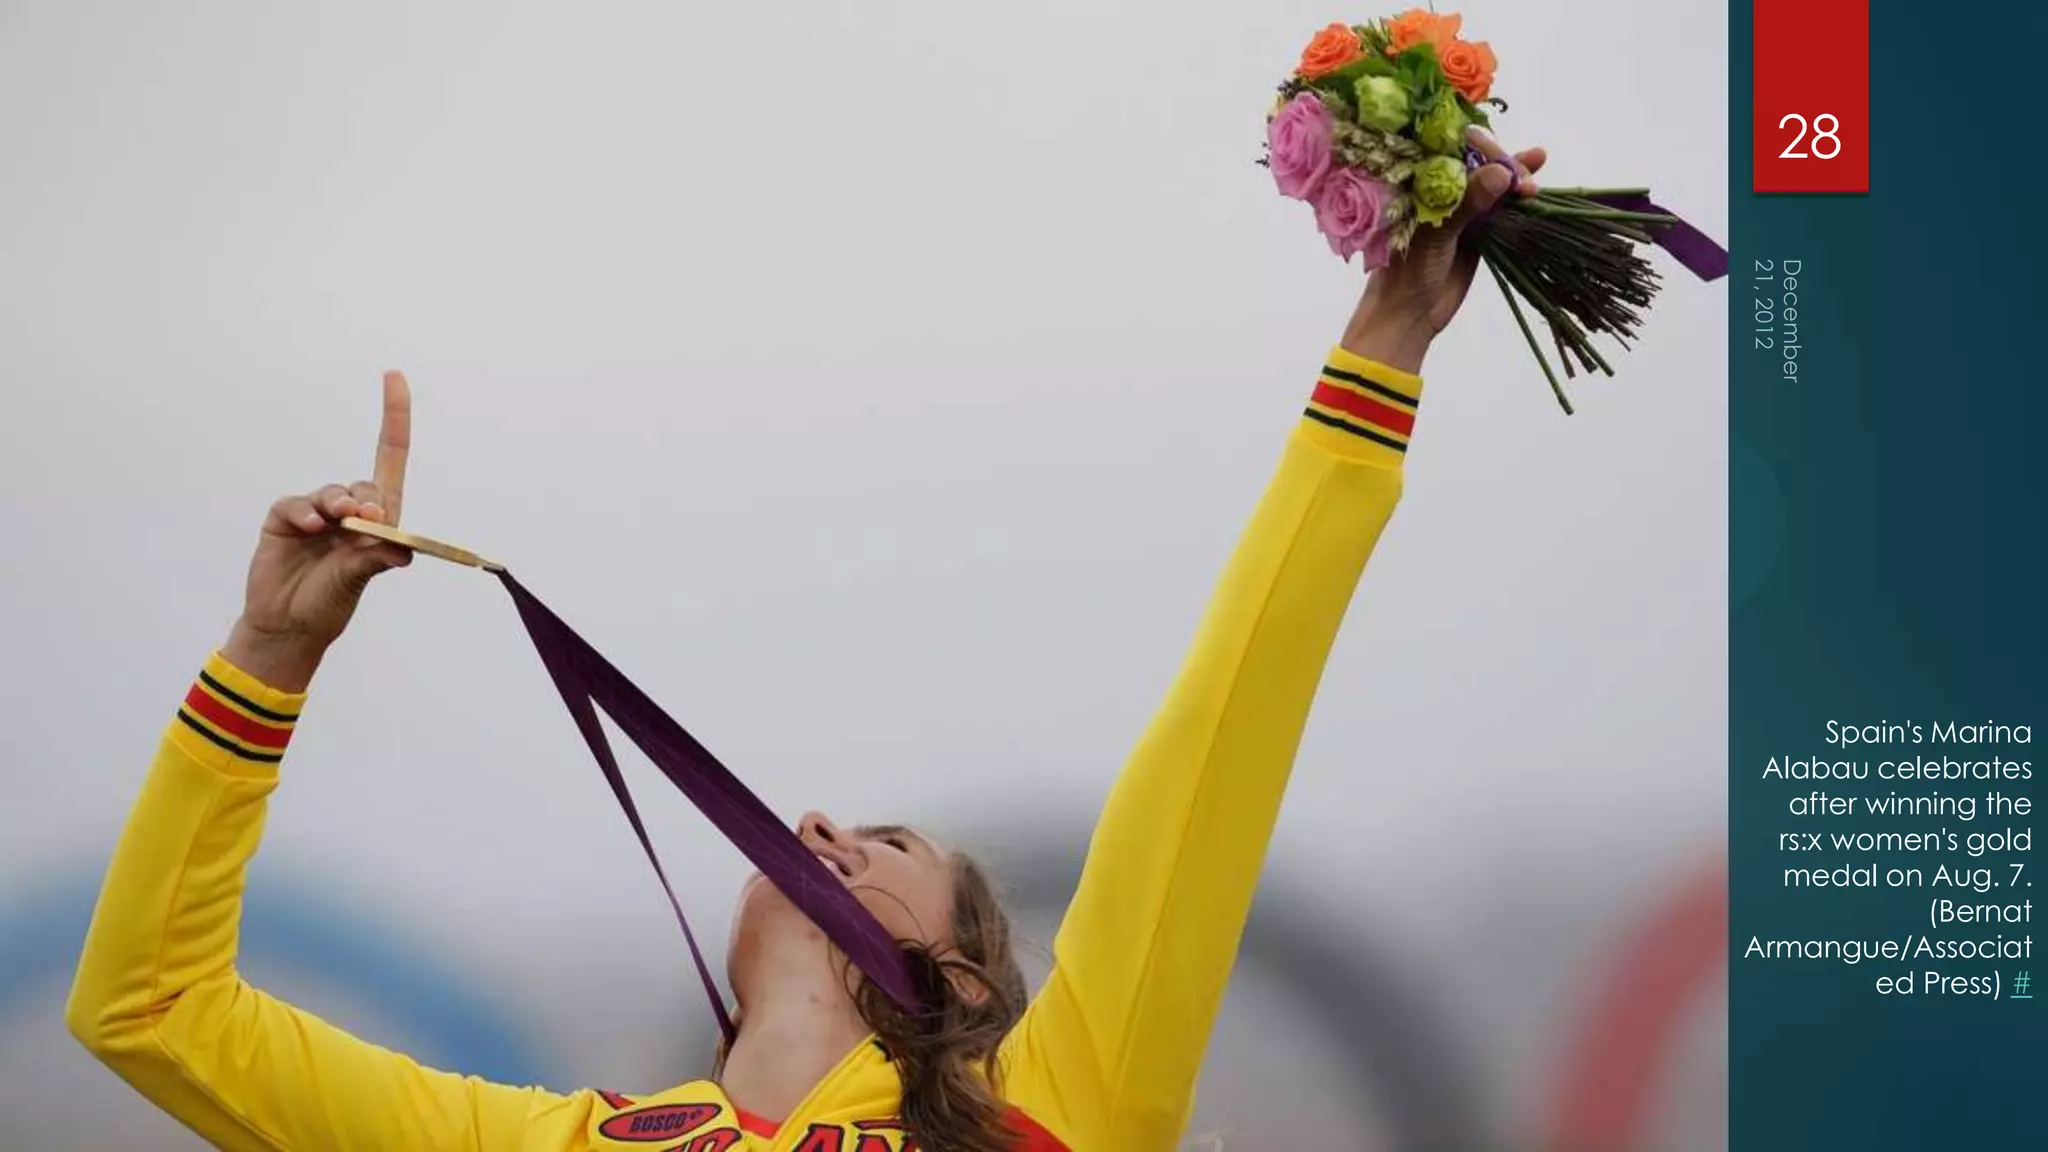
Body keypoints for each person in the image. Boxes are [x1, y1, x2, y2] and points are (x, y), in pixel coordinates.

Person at [67, 136, 1546, 1152]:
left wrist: (1387, 341)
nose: (822, 822)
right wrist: (268, 656)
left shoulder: (1059, 1105)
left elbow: (1224, 726)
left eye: (887, 844)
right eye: (858, 829)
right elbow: (148, 1010)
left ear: (965, 991)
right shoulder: (555, 1139)